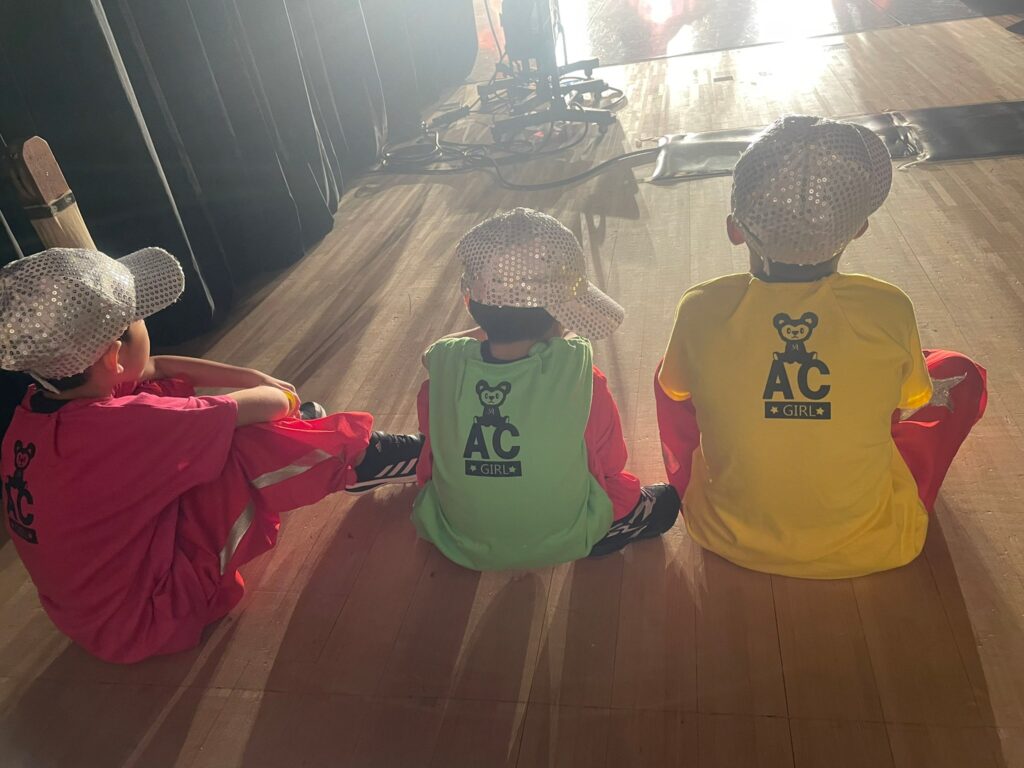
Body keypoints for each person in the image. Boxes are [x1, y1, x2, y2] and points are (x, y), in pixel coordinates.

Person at [0, 247, 421, 663]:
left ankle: (307, 438)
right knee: (242, 446)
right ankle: (360, 459)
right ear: (113, 355)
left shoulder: (38, 410)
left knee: (182, 408)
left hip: (94, 618)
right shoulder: (126, 423)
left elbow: (157, 367)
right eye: (139, 318)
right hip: (153, 616)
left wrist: (252, 378)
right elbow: (263, 406)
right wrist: (283, 401)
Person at [656, 115, 987, 579]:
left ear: (735, 229)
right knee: (957, 371)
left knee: (671, 372)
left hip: (722, 532)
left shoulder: (701, 307)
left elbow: (675, 391)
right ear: (859, 229)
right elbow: (911, 400)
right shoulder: (887, 306)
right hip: (877, 542)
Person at [412, 208, 679, 571]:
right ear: (560, 315)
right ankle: (611, 528)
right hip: (567, 532)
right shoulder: (582, 379)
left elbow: (433, 358)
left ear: (469, 303)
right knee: (633, 490)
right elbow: (610, 464)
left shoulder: (445, 368)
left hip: (455, 536)